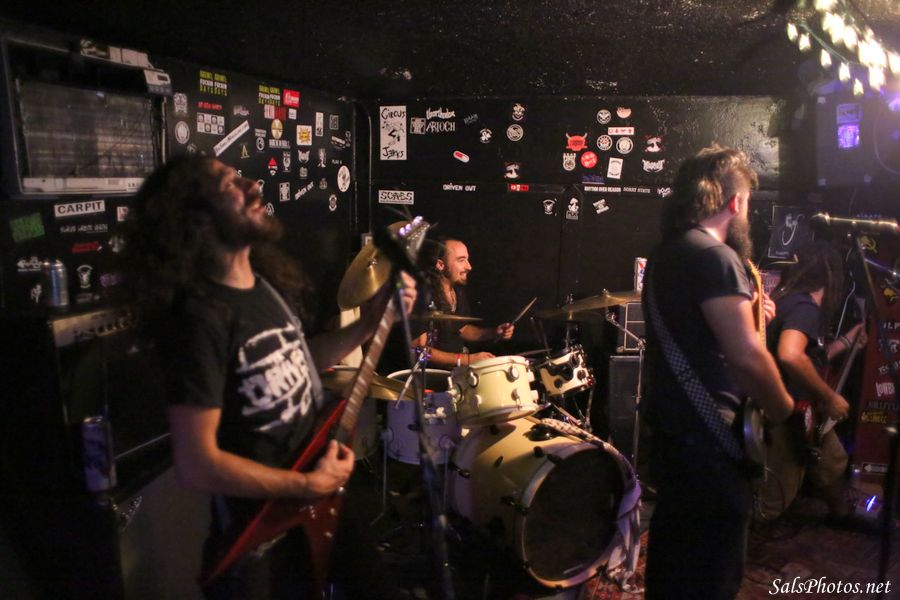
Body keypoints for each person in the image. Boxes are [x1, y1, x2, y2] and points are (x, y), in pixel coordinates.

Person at [122, 156, 416, 599]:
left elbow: (296, 361)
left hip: (318, 489)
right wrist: (304, 485)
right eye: (230, 184)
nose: (253, 186)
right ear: (196, 217)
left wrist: (368, 325)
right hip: (266, 528)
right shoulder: (199, 319)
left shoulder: (263, 287)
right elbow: (197, 463)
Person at [641, 145, 794, 599]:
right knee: (712, 573)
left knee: (673, 564)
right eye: (747, 202)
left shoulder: (669, 252)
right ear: (735, 201)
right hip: (711, 441)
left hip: (675, 433)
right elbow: (746, 357)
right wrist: (784, 412)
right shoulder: (715, 257)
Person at [759, 241, 866, 522]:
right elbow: (791, 355)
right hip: (789, 413)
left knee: (833, 461)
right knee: (773, 501)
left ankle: (843, 516)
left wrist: (847, 341)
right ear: (831, 276)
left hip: (799, 410)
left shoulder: (790, 301)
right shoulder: (805, 307)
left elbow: (812, 358)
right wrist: (830, 397)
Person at [414, 236, 514, 368]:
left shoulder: (457, 291)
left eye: (467, 259)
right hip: (433, 374)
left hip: (456, 370)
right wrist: (467, 359)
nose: (469, 267)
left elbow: (462, 328)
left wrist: (493, 332)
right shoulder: (423, 296)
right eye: (461, 260)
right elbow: (419, 350)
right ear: (440, 265)